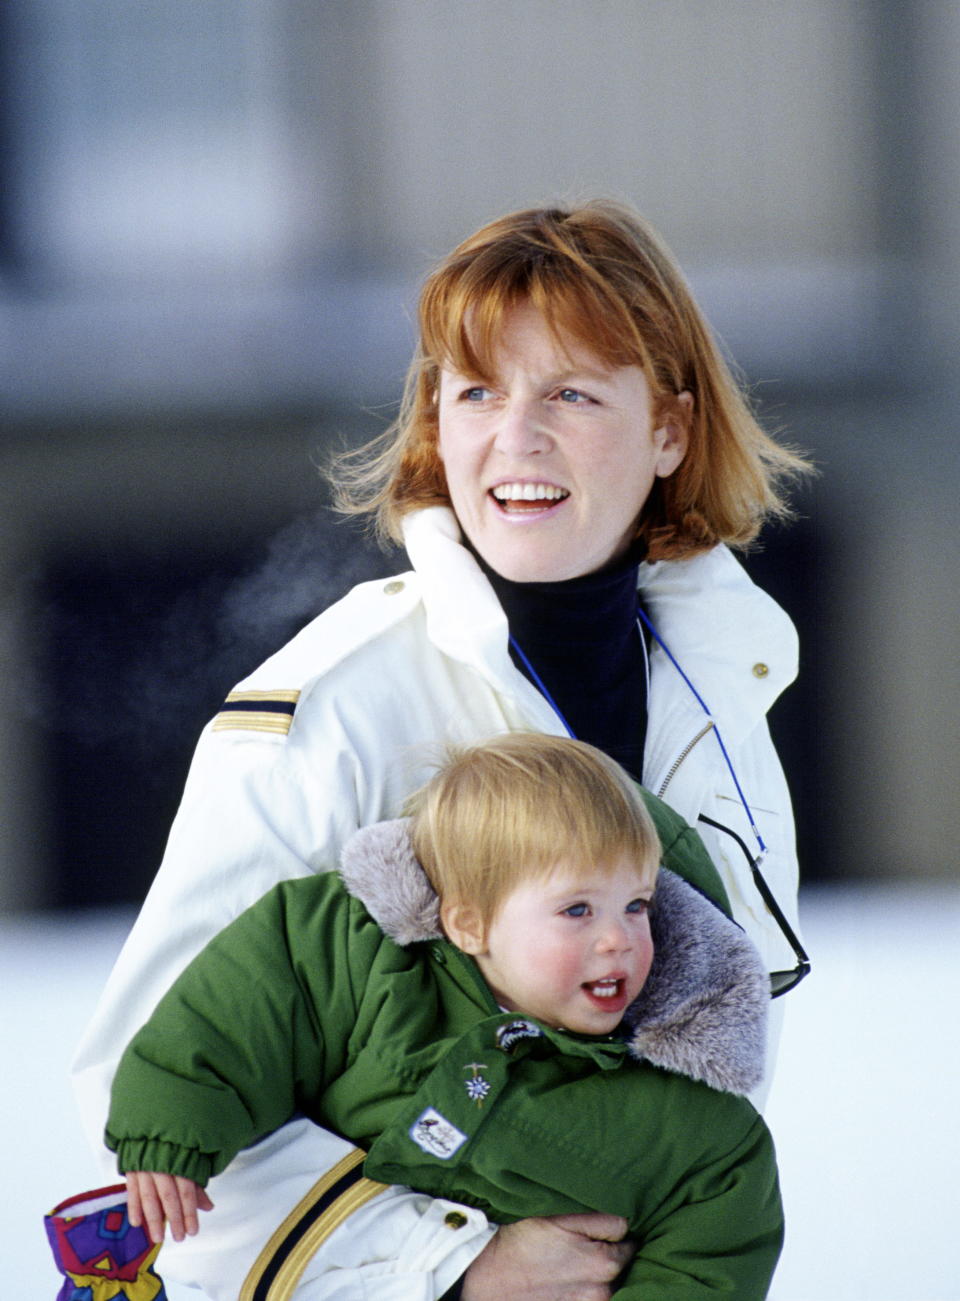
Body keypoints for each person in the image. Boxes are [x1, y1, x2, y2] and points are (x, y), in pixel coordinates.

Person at [71, 199, 811, 1301]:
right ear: (436, 424)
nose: (517, 435)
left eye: (570, 391)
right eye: (477, 392)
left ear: (670, 429)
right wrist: (451, 1268)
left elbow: (709, 1081)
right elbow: (148, 1098)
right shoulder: (332, 704)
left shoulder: (725, 694)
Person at [106, 734, 783, 1300]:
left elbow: (715, 1256)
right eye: (577, 909)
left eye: (636, 904)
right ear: (468, 923)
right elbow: (239, 1011)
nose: (619, 939)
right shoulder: (366, 965)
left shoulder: (697, 1130)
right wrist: (174, 1123)